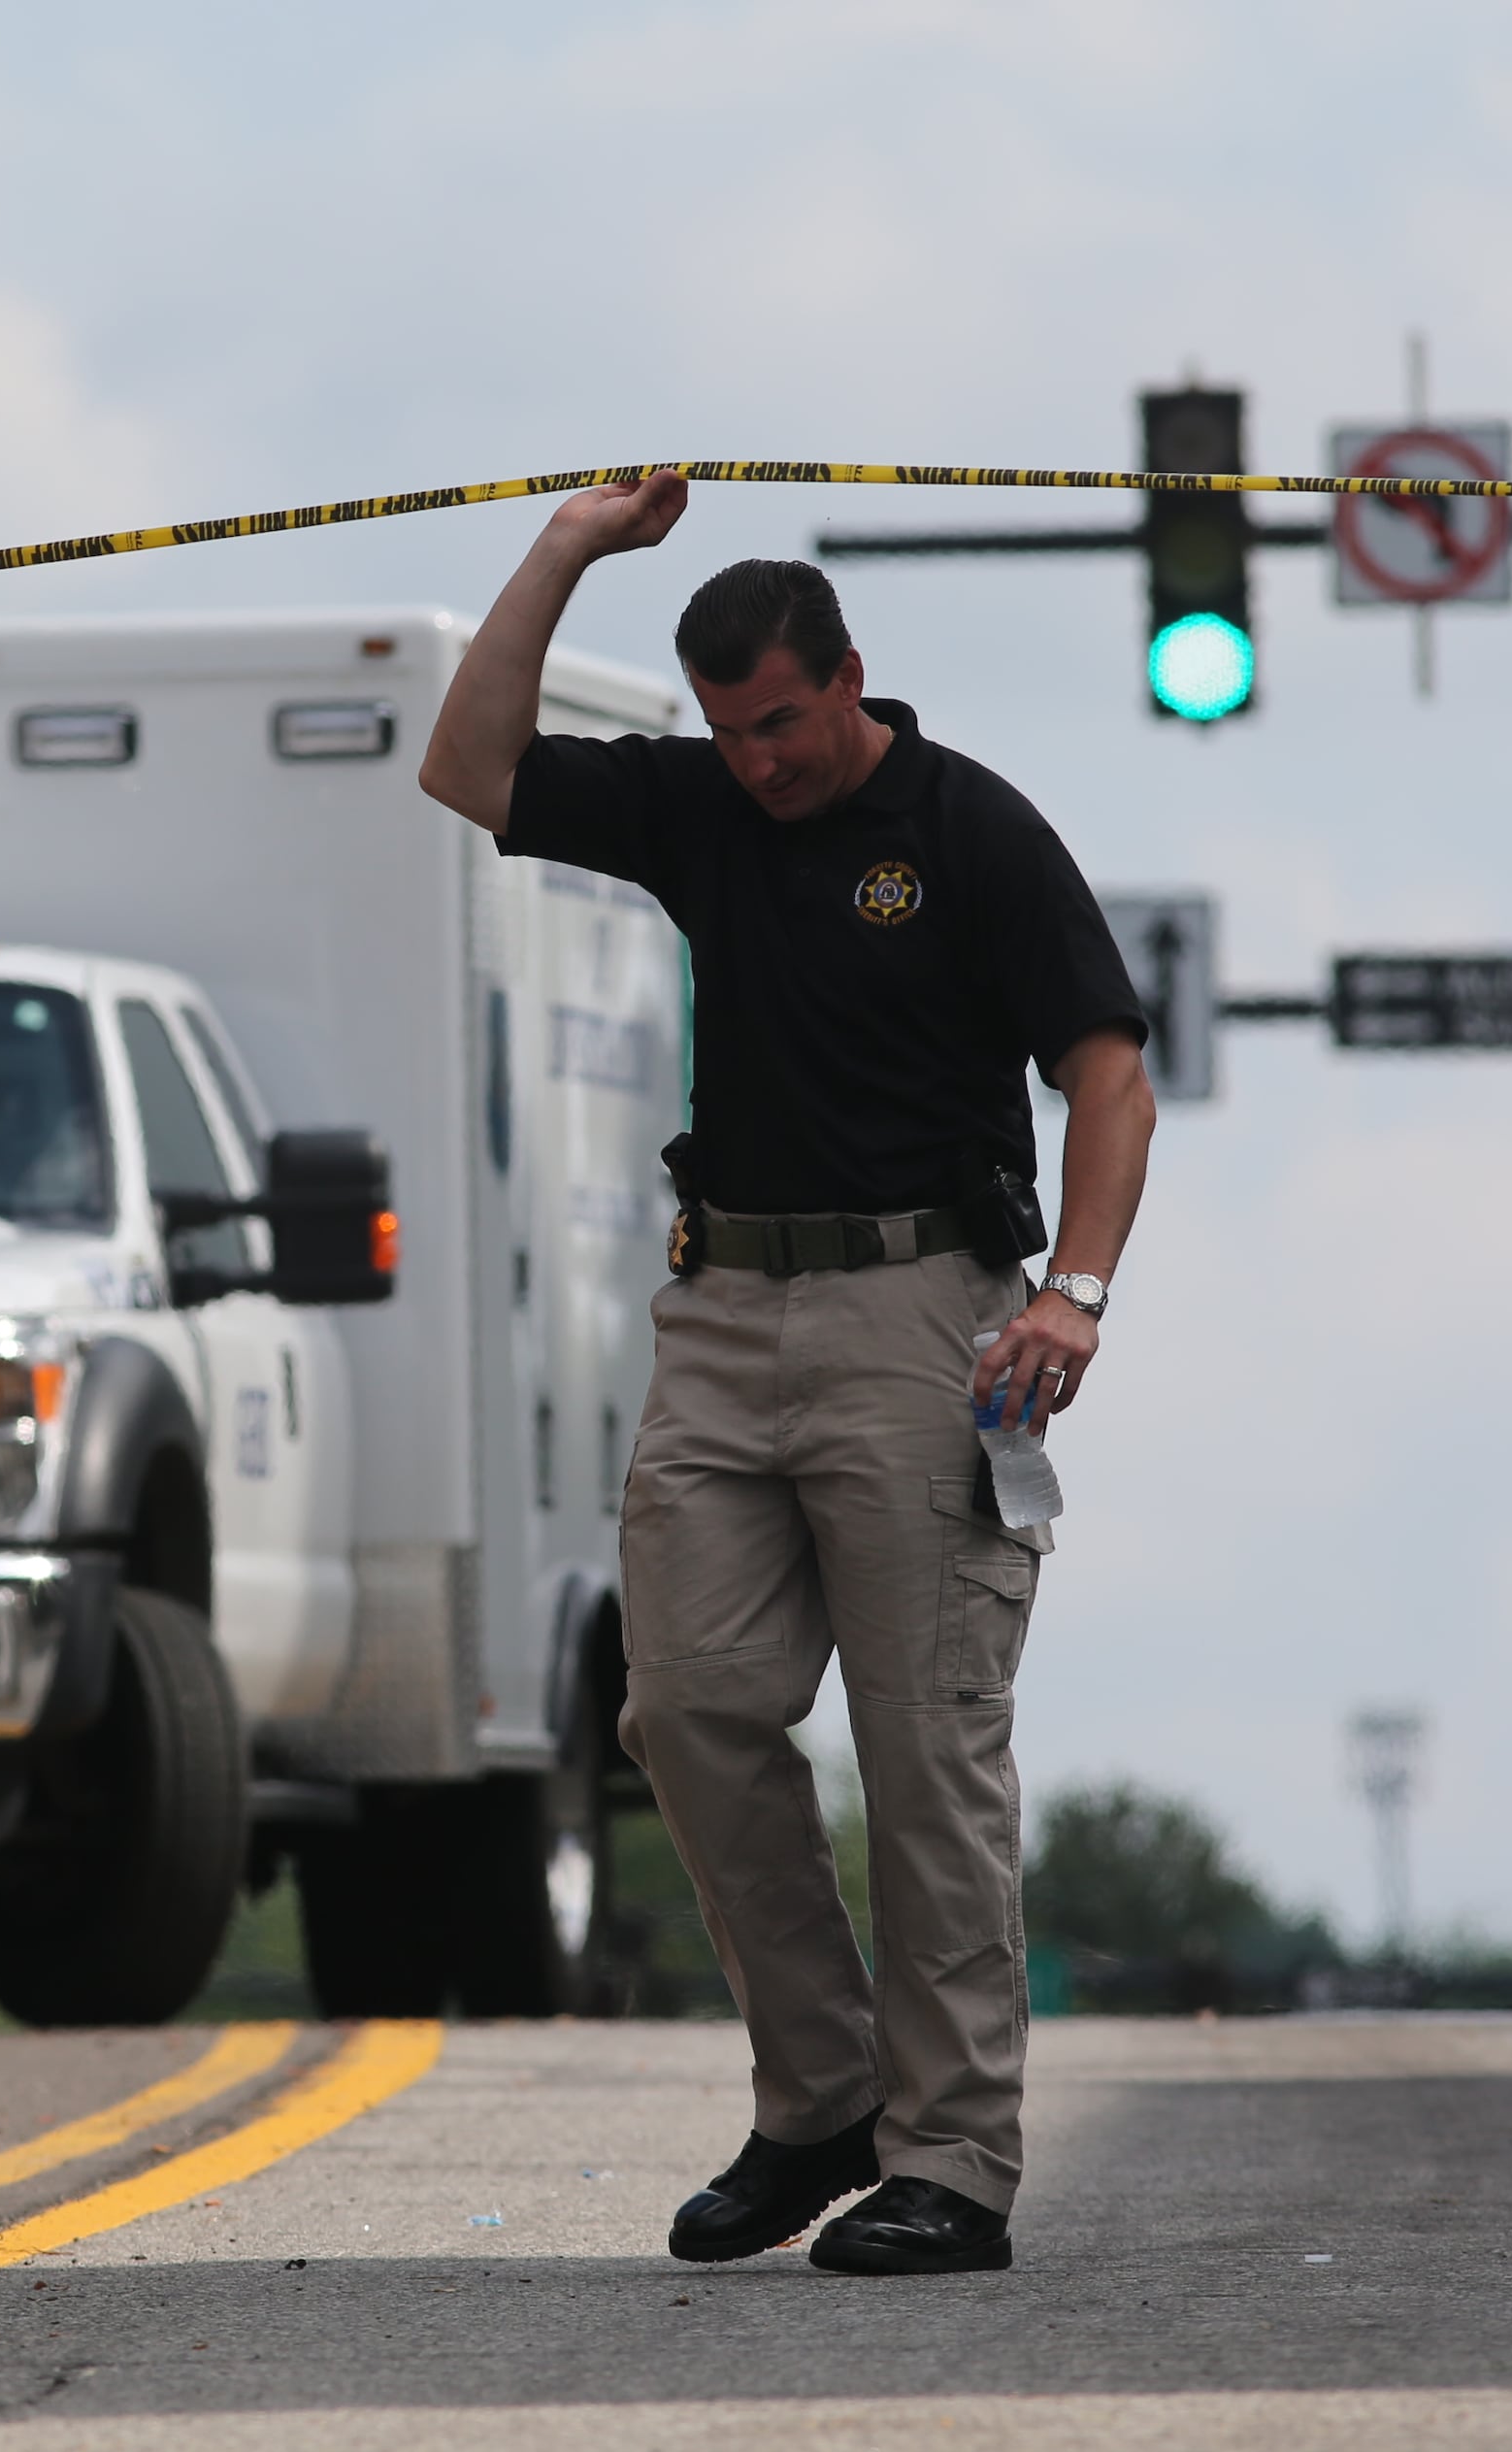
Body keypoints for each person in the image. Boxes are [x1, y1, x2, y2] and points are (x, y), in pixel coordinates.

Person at [420, 471, 1156, 2277]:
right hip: (727, 1317)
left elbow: (1110, 1069)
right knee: (681, 1709)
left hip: (931, 1321)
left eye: (778, 725)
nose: (755, 762)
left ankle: (955, 2162)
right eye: (726, 734)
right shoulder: (703, 813)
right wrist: (569, 545)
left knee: (926, 1753)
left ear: (846, 681)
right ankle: (819, 2099)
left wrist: (1075, 1291)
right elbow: (469, 768)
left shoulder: (970, 827)